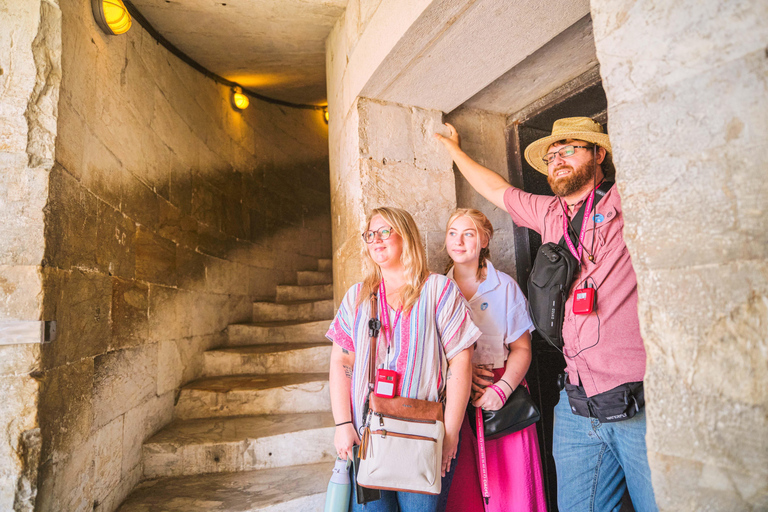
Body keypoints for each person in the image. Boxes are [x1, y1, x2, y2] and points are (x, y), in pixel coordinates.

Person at [435, 117, 658, 512]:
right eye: (552, 154)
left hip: (635, 403)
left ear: (598, 154)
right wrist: (453, 150)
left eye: (568, 149)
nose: (557, 159)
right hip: (575, 404)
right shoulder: (549, 214)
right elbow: (496, 190)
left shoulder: (629, 199)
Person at [326, 206, 480, 512]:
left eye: (385, 232)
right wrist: (343, 423)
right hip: (367, 434)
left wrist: (448, 435)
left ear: (406, 237)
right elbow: (342, 362)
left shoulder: (439, 290)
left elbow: (461, 363)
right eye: (371, 234)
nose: (376, 240)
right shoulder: (358, 296)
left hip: (423, 435)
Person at [443, 208, 547, 512]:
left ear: (484, 239)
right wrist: (460, 374)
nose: (458, 241)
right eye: (452, 233)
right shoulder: (437, 288)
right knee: (463, 492)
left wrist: (502, 389)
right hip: (456, 400)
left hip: (503, 395)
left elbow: (522, 349)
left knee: (511, 490)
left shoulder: (504, 287)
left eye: (468, 233)